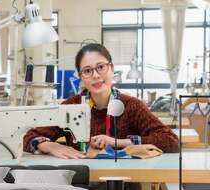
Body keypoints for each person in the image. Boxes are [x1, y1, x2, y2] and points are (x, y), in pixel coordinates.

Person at [23, 43, 179, 158]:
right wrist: (50, 146)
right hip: (83, 182)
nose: (95, 75)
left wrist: (119, 142)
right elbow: (28, 137)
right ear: (80, 77)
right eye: (87, 71)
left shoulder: (132, 106)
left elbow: (172, 141)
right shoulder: (71, 106)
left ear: (111, 68)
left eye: (101, 67)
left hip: (124, 184)